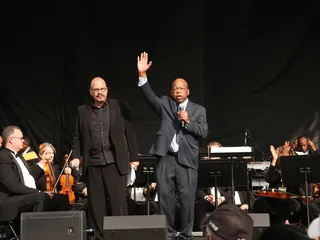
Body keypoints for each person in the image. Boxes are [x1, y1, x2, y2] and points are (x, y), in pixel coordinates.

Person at [137, 52, 209, 239]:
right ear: (171, 92)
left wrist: (188, 121)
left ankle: (186, 235)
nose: (178, 91)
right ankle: (168, 235)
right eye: (175, 89)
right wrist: (142, 75)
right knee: (165, 200)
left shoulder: (198, 110)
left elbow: (203, 132)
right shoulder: (165, 105)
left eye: (181, 88)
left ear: (187, 92)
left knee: (187, 201)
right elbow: (149, 97)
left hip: (187, 160)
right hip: (166, 158)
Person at [70, 77, 139, 240]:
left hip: (114, 161)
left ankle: (121, 235)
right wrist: (76, 157)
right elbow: (77, 137)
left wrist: (134, 157)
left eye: (103, 89)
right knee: (96, 205)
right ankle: (100, 237)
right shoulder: (82, 110)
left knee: (118, 203)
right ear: (91, 92)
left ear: (107, 90)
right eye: (96, 90)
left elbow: (129, 132)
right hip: (93, 163)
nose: (100, 92)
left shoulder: (119, 106)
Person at [0, 126, 51, 233]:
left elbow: (28, 177)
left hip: (25, 195)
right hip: (9, 200)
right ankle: (34, 234)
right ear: (11, 140)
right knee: (41, 197)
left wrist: (42, 163)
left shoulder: (20, 157)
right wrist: (38, 191)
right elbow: (12, 185)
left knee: (60, 199)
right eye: (20, 138)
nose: (23, 140)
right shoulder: (3, 156)